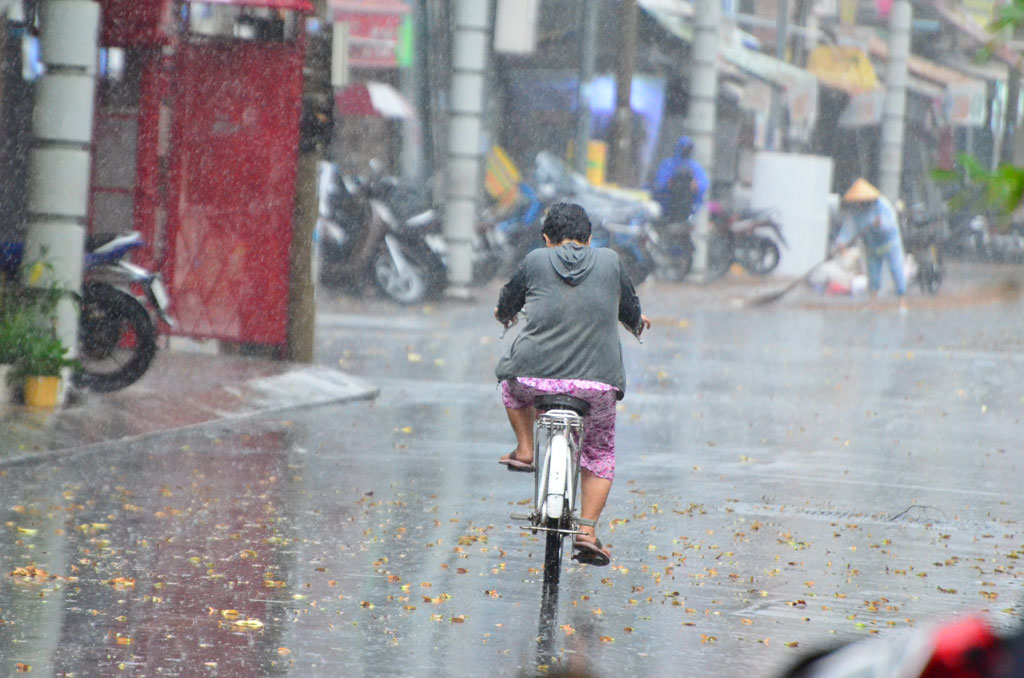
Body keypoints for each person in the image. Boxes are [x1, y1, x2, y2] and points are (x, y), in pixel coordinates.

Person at [493, 202, 651, 567]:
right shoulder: (610, 261)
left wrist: (504, 315)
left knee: (509, 383)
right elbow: (629, 310)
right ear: (590, 239)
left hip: (532, 377)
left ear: (547, 239)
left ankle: (525, 448)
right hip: (596, 386)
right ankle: (587, 531)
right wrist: (638, 323)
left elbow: (508, 302)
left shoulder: (534, 260)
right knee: (598, 453)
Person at [835, 178, 908, 311]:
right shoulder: (855, 212)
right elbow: (848, 228)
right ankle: (873, 301)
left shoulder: (882, 205)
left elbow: (890, 226)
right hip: (872, 246)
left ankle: (902, 301)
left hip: (889, 244)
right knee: (873, 274)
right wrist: (842, 242)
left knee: (896, 270)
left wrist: (880, 224)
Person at [652, 136, 709, 222]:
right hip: (668, 208)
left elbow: (704, 184)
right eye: (684, 148)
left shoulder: (695, 166)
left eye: (688, 149)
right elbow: (659, 183)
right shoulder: (668, 164)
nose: (686, 151)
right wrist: (672, 184)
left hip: (688, 210)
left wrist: (694, 186)